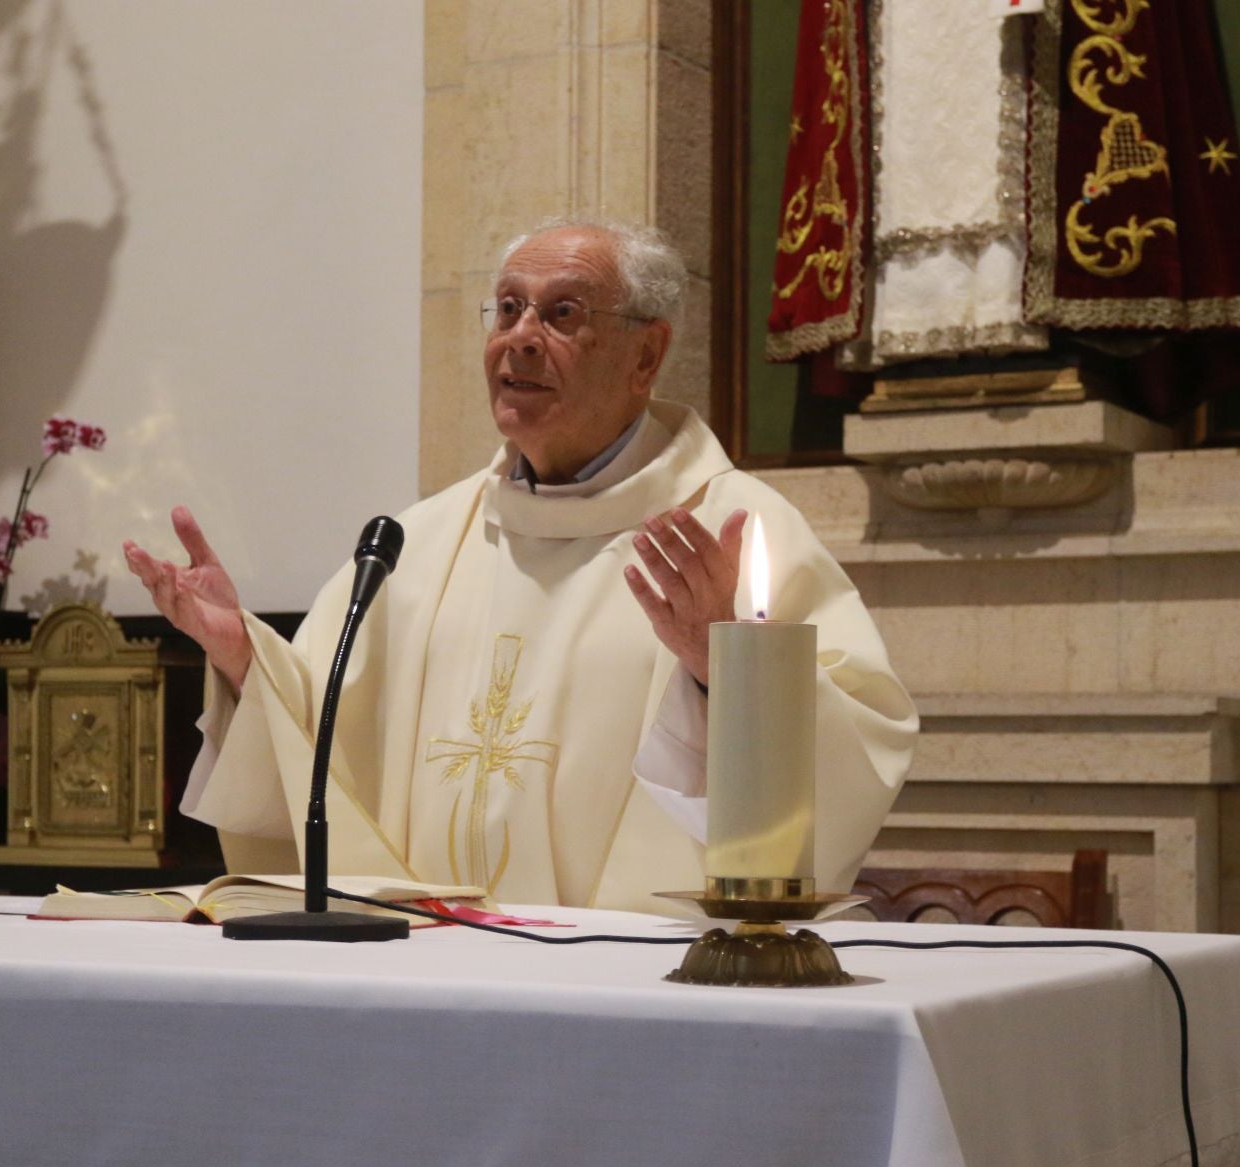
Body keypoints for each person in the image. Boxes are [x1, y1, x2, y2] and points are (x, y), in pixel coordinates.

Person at [124, 219, 917, 913]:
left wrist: (726, 668)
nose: (520, 337)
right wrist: (242, 658)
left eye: (562, 313)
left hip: (625, 986)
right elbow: (323, 739)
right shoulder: (415, 545)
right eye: (507, 309)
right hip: (428, 972)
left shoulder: (734, 532)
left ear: (647, 355)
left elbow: (860, 743)